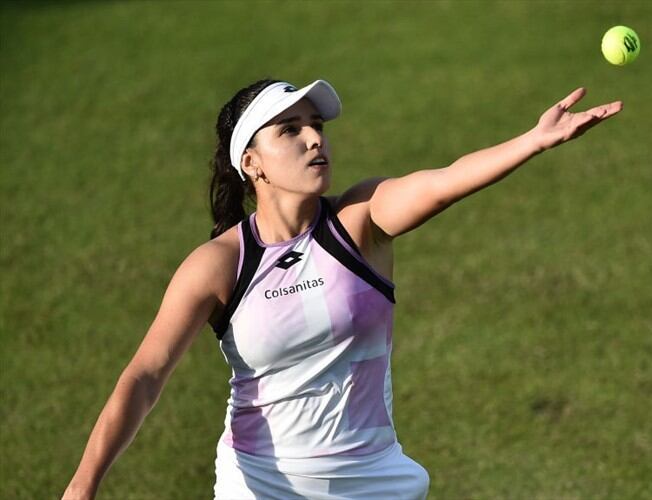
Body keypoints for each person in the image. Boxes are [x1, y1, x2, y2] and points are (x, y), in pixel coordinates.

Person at [62, 78, 621, 500]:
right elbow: (144, 375)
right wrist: (82, 487)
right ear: (251, 163)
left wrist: (532, 141)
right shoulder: (218, 265)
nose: (314, 139)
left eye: (317, 126)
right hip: (260, 483)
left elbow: (444, 182)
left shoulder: (360, 222)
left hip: (373, 482)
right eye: (291, 129)